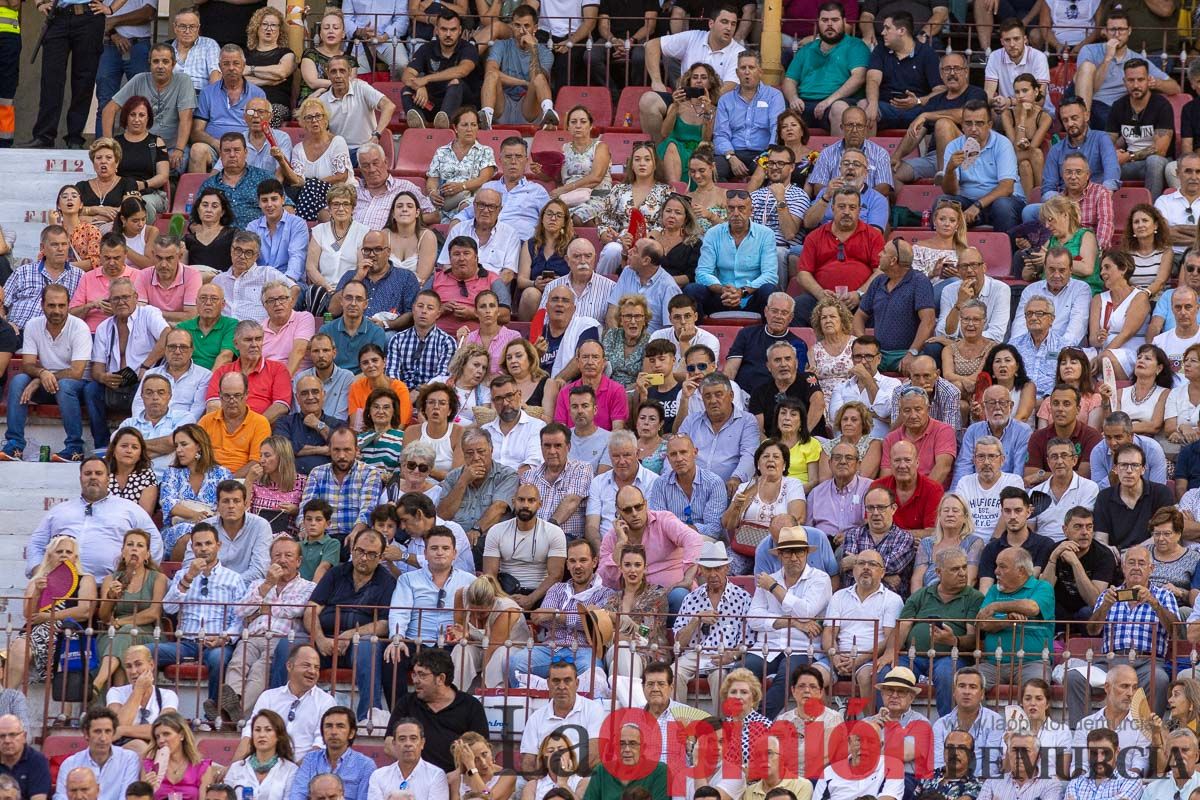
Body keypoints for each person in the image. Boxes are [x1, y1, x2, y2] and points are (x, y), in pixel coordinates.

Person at [304, 530, 395, 723]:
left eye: (371, 554)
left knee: (368, 646)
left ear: (380, 557)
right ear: (352, 550)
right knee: (287, 647)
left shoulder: (386, 581)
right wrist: (319, 639)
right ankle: (279, 712)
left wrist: (352, 634)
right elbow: (311, 610)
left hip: (358, 643)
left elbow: (385, 624)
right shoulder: (336, 573)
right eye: (360, 551)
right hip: (325, 640)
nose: (364, 558)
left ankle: (368, 718)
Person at [0, 285, 99, 463]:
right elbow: (28, 364)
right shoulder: (33, 325)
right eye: (51, 305)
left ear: (69, 305)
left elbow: (76, 372)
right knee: (19, 380)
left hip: (76, 388)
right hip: (49, 385)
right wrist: (42, 374)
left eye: (62, 305)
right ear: (42, 305)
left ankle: (75, 448)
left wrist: (40, 378)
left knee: (66, 385)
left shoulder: (79, 327)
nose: (57, 310)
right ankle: (14, 445)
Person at [153, 524, 245, 710]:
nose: (203, 549)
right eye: (198, 544)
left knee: (218, 659)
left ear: (218, 546)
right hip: (186, 642)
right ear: (192, 547)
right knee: (146, 652)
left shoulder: (234, 578)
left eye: (208, 544)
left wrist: (224, 637)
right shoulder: (182, 575)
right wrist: (189, 577)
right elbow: (168, 608)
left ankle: (214, 712)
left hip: (217, 642)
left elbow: (241, 617)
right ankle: (151, 708)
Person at [221, 538, 315, 719]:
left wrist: (263, 609)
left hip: (279, 638)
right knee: (236, 665)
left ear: (299, 561)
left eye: (288, 555)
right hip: (252, 637)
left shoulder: (309, 587)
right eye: (277, 555)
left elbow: (295, 609)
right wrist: (267, 586)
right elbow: (240, 610)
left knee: (258, 671)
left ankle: (234, 714)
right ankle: (231, 708)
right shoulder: (258, 584)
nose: (282, 560)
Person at [25, 458, 161, 580]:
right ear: (80, 479)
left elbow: (154, 540)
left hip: (112, 586)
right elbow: (36, 543)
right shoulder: (60, 511)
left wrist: (138, 576)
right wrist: (38, 571)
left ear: (108, 478)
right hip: (62, 586)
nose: (93, 477)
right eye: (88, 473)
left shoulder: (129, 509)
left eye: (99, 473)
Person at [6, 535, 97, 691]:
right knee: (19, 646)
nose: (63, 555)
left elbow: (85, 611)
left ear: (75, 558)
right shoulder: (38, 580)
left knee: (67, 650)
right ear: (49, 556)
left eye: (68, 552)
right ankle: (7, 700)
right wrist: (37, 593)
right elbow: (29, 615)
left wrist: (49, 616)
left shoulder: (85, 579)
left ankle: (66, 713)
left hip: (70, 631)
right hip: (36, 633)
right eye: (59, 551)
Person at [104, 43, 195, 173]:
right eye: (156, 61)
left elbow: (186, 118)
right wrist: (109, 145)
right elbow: (109, 110)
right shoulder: (139, 79)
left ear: (173, 64)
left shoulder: (183, 81)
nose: (160, 66)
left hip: (171, 147)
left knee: (178, 166)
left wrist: (179, 149)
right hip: (141, 146)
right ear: (149, 63)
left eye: (165, 61)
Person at [975, 546, 1055, 687]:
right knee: (968, 685)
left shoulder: (1042, 587)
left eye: (1002, 567)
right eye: (996, 566)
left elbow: (1032, 607)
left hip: (1031, 664)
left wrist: (996, 606)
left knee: (1035, 691)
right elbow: (982, 623)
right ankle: (982, 711)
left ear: (1021, 571)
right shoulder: (994, 590)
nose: (996, 571)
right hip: (993, 664)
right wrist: (1007, 620)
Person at [858, 12, 942, 135]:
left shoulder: (927, 53)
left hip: (917, 110)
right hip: (885, 107)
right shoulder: (880, 50)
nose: (882, 33)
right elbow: (873, 80)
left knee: (937, 112)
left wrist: (918, 101)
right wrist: (873, 104)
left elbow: (940, 90)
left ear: (901, 30)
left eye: (887, 28)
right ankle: (867, 153)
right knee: (863, 105)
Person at [188, 46, 267, 175]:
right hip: (215, 147)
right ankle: (201, 194)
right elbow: (196, 132)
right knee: (197, 150)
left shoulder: (257, 94)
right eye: (226, 64)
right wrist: (216, 143)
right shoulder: (207, 92)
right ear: (220, 66)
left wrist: (237, 148)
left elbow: (260, 130)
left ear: (243, 65)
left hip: (245, 148)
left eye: (236, 63)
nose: (231, 68)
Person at [299, 427, 385, 543]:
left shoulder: (369, 473)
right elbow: (306, 506)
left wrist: (356, 533)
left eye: (347, 450)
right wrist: (304, 529)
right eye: (336, 450)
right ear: (329, 450)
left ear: (356, 450)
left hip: (353, 537)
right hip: (322, 539)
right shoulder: (317, 473)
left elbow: (368, 509)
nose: (342, 456)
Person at [478, 4, 555, 128]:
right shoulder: (501, 45)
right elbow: (491, 71)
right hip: (503, 104)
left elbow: (538, 79)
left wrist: (533, 50)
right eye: (517, 25)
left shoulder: (545, 52)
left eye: (526, 26)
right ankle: (486, 117)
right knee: (492, 74)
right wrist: (524, 82)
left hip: (528, 107)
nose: (521, 31)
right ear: (512, 25)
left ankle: (549, 114)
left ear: (535, 28)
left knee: (539, 78)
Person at [1106, 59, 1173, 200]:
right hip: (1128, 164)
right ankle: (1105, 211)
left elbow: (1160, 150)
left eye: (1140, 80)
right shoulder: (1118, 106)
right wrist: (1113, 155)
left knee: (1154, 161)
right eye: (1131, 80)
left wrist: (1129, 156)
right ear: (1124, 82)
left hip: (1157, 164)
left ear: (1149, 80)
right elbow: (1107, 141)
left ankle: (1151, 211)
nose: (1136, 85)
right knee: (1101, 163)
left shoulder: (1162, 106)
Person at [311, 57, 395, 164]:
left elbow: (389, 106)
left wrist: (376, 136)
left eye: (342, 71)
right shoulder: (322, 100)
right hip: (339, 152)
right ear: (327, 74)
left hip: (365, 150)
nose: (338, 76)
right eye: (333, 72)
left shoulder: (361, 87)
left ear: (349, 72)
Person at [1093, 442, 1174, 548]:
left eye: (1135, 465)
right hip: (1116, 557)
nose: (1129, 471)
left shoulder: (1161, 493)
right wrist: (1108, 551)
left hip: (1153, 553)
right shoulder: (1104, 497)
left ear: (1143, 469)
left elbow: (1164, 534)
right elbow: (1101, 537)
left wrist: (1133, 552)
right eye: (1123, 465)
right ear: (1115, 469)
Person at [288, 708, 376, 800]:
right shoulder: (310, 759)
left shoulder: (365, 765)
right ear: (322, 732)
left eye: (340, 726)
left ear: (351, 733)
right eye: (329, 726)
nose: (333, 732)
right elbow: (297, 795)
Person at [1025, 384, 1102, 485]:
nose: (1060, 409)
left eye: (1066, 404)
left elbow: (1084, 476)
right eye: (1055, 404)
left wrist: (1042, 475)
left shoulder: (1091, 436)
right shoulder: (1037, 437)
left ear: (1078, 409)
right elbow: (1030, 475)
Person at [55, 713, 141, 800]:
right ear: (86, 734)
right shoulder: (70, 763)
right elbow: (61, 797)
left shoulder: (129, 759)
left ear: (114, 733)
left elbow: (127, 797)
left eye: (108, 731)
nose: (103, 738)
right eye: (97, 731)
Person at [1030, 441, 1101, 544]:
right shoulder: (1036, 492)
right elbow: (1029, 530)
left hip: (1076, 547)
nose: (1059, 461)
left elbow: (1083, 526)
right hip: (1043, 549)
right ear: (1048, 462)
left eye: (1064, 456)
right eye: (1054, 457)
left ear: (1074, 460)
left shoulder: (1089, 488)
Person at [109, 102, 169, 218]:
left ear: (148, 118)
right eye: (132, 115)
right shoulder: (115, 143)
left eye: (141, 115)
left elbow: (163, 176)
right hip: (120, 192)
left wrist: (143, 185)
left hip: (150, 193)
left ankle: (143, 236)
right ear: (126, 117)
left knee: (141, 206)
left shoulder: (156, 142)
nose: (136, 119)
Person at [138, 712, 217, 800]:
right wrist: (147, 790)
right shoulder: (149, 767)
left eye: (166, 734)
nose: (161, 740)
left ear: (182, 735)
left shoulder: (201, 767)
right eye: (157, 737)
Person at [223, 711, 298, 800]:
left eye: (268, 730)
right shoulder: (236, 768)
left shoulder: (290, 770)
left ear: (278, 735)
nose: (262, 735)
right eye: (257, 730)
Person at [367, 720, 447, 800]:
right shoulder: (379, 776)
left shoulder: (436, 775)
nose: (408, 744)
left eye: (413, 738)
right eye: (402, 739)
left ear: (422, 743)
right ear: (394, 744)